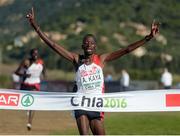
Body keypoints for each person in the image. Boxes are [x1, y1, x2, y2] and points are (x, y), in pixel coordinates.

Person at [26, 7, 159, 135]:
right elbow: (54, 45)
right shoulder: (76, 59)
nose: (89, 45)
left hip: (96, 106)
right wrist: (35, 27)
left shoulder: (101, 59)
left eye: (91, 43)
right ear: (82, 46)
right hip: (80, 104)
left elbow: (126, 50)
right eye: (86, 43)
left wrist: (148, 38)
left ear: (95, 46)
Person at [15, 48, 46, 130]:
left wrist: (44, 77)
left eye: (36, 54)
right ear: (31, 54)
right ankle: (27, 110)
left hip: (35, 84)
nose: (35, 55)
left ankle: (29, 122)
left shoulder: (41, 62)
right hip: (26, 84)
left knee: (34, 103)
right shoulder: (26, 62)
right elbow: (16, 72)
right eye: (33, 54)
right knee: (26, 102)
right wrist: (24, 75)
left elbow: (44, 72)